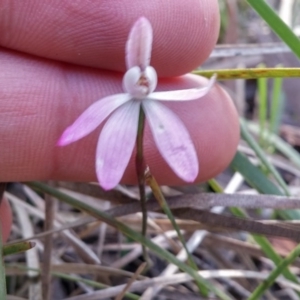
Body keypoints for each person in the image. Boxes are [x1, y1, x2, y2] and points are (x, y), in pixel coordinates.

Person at [0, 0, 239, 241]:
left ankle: (144, 240)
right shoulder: (111, 105)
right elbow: (81, 129)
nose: (143, 79)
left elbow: (183, 160)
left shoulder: (156, 105)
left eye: (146, 75)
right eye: (139, 75)